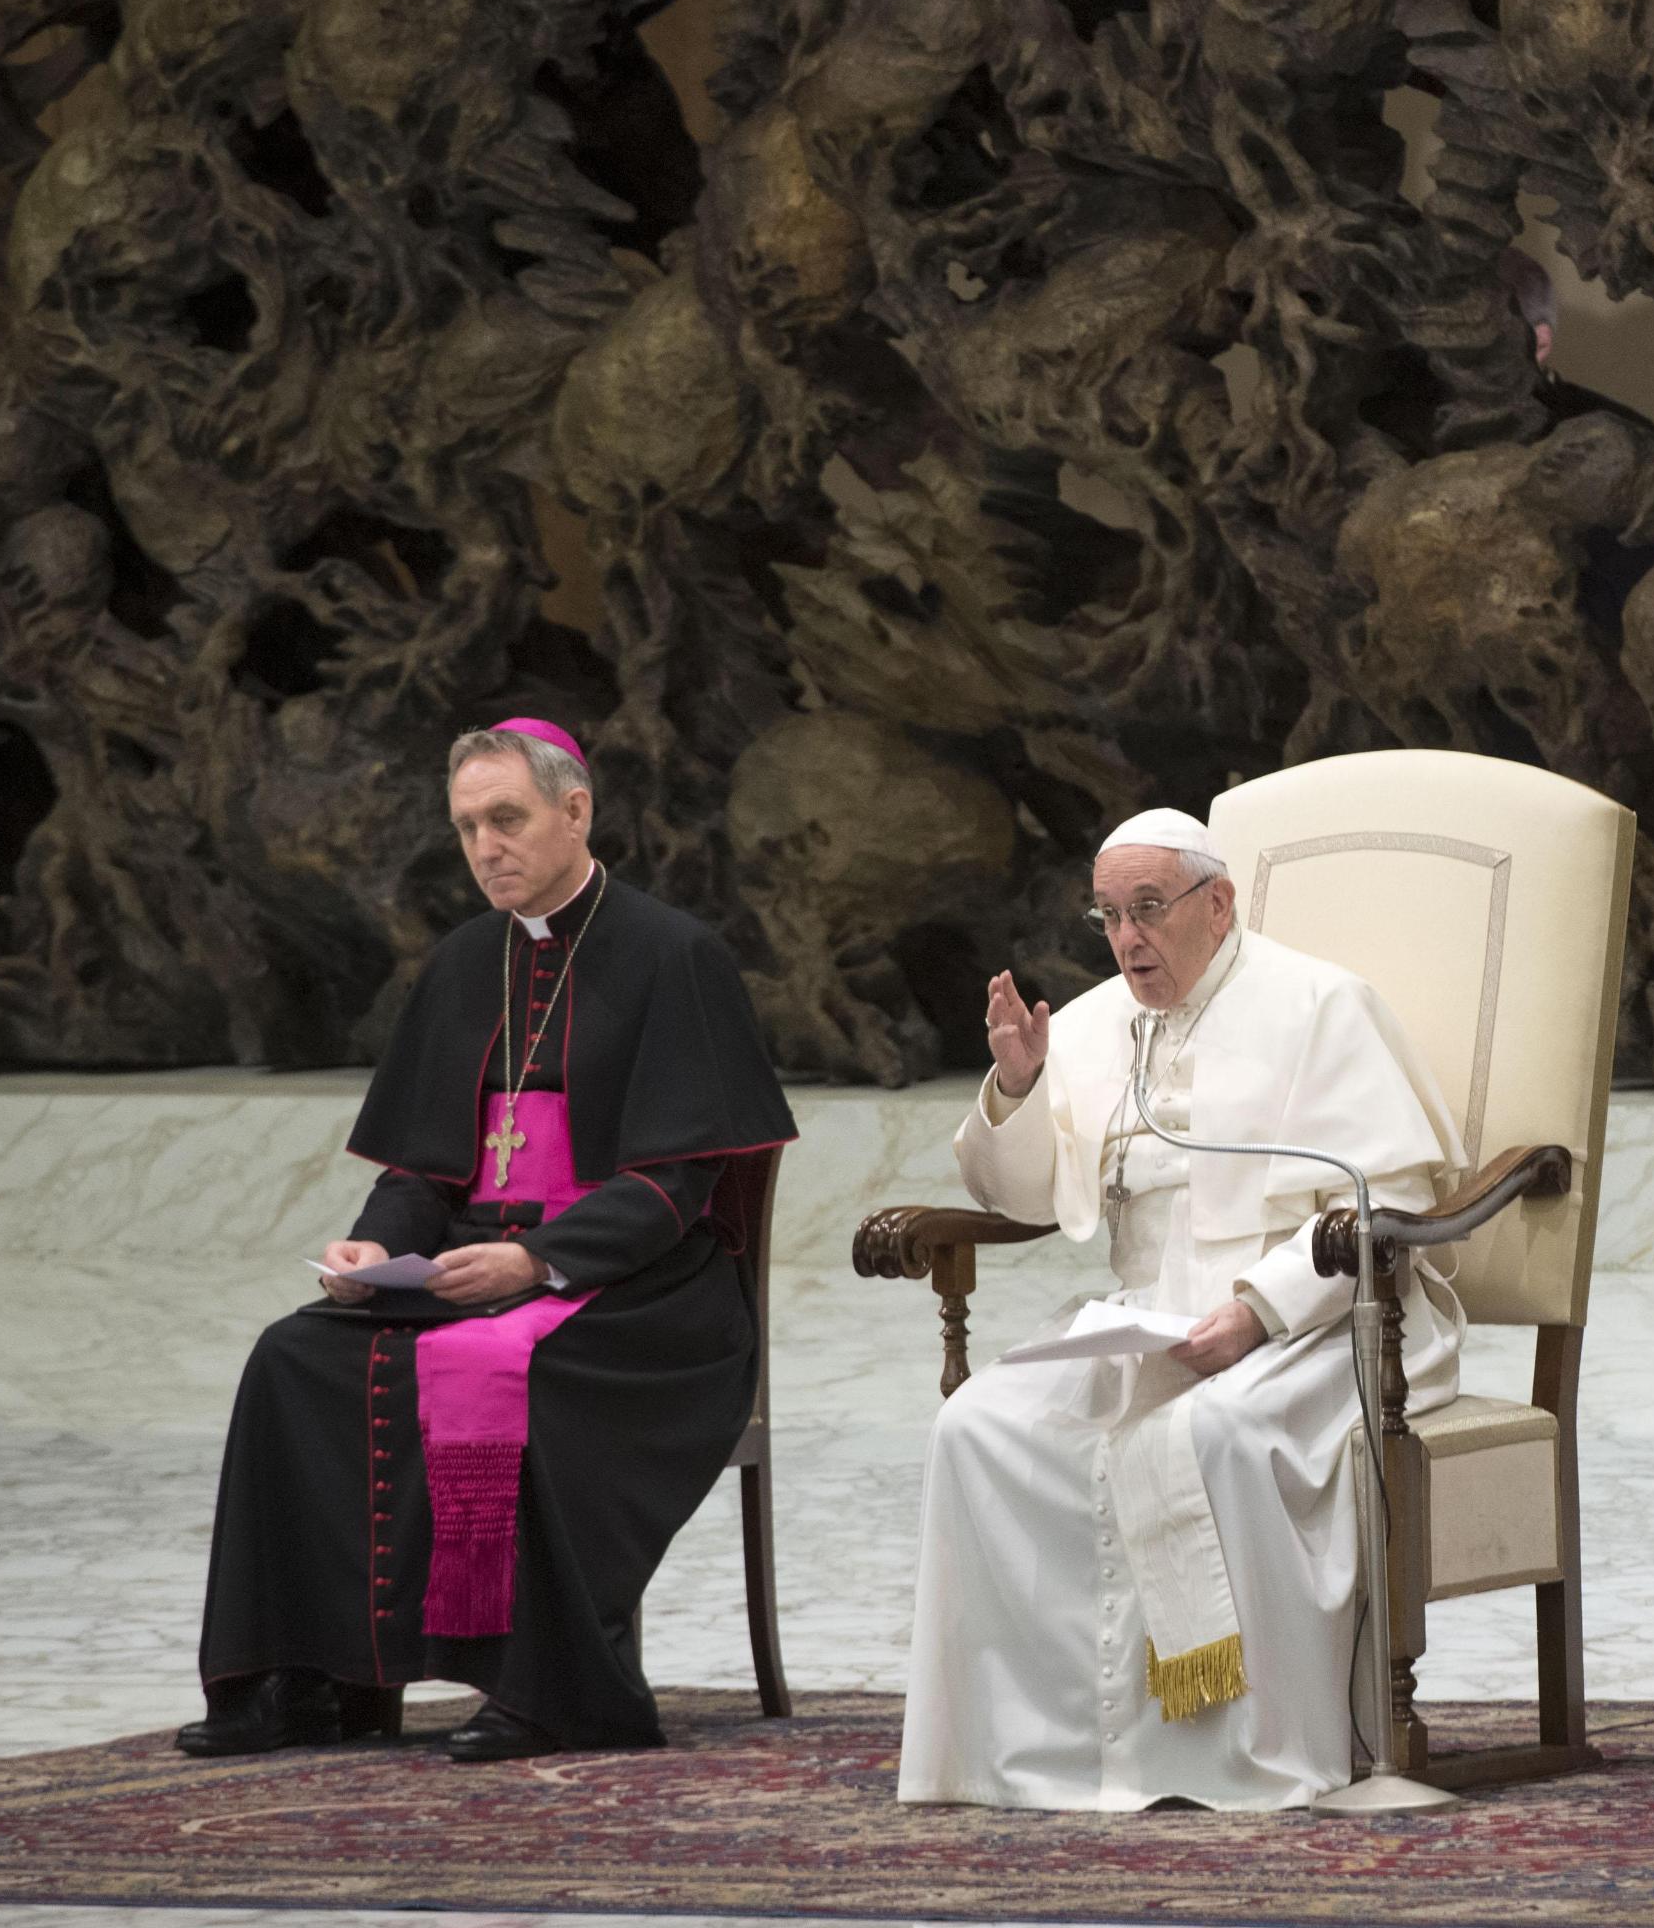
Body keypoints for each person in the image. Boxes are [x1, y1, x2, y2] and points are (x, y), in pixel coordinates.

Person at [182, 720, 794, 1763]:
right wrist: (375, 1250)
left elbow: (676, 1182)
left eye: (505, 818)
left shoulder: (673, 953)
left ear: (575, 810)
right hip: (469, 1275)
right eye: (467, 826)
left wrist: (539, 1260)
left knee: (518, 1364)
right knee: (294, 1356)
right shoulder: (466, 964)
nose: (486, 845)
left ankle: (550, 1688)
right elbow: (422, 1172)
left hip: (644, 1289)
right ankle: (303, 1679)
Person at [898, 807, 1467, 1809]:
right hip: (1148, 1317)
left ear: (1217, 902)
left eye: (1148, 908)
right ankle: (1042, 1749)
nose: (1127, 937)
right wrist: (1021, 1086)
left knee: (1219, 1433)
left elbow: (1392, 1197)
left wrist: (1256, 1309)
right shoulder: (1088, 1023)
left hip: (1317, 1319)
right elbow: (1025, 1195)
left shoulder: (1321, 1005)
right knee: (977, 1425)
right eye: (1109, 914)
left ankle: (1235, 1755)